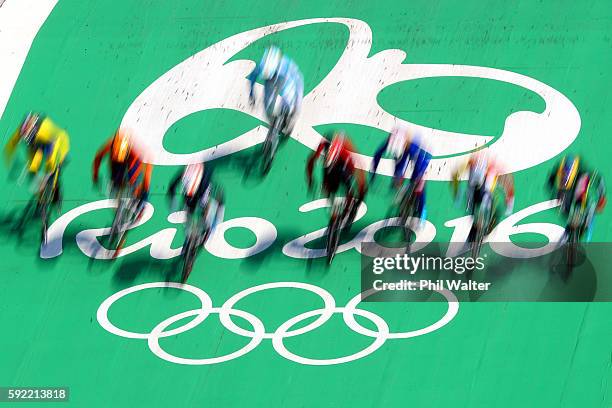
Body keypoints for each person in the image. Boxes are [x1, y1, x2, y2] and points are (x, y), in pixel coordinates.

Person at [4, 112, 70, 208]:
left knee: (54, 169)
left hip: (56, 144)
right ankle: (41, 195)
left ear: (33, 129)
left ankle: (56, 190)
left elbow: (52, 158)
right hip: (37, 145)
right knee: (32, 170)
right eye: (25, 136)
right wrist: (11, 165)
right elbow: (10, 146)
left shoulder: (45, 130)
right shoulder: (22, 131)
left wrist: (47, 176)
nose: (25, 137)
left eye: (28, 135)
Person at [371, 125, 432, 227]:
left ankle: (422, 210)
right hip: (403, 150)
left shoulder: (413, 146)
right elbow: (378, 154)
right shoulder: (391, 141)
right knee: (398, 175)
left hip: (422, 154)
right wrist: (373, 172)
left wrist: (417, 181)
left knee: (419, 183)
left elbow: (420, 167)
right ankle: (402, 200)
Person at [306, 131, 366, 224]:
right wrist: (311, 180)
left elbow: (355, 168)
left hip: (343, 164)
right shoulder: (322, 147)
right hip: (329, 167)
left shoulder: (343, 151)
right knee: (328, 189)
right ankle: (334, 214)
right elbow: (310, 163)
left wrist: (360, 190)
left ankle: (350, 207)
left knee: (348, 187)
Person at [452, 152, 515, 239]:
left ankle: (481, 224)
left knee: (479, 204)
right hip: (480, 194)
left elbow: (455, 175)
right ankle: (482, 225)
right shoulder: (491, 164)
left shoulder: (473, 162)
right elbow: (509, 183)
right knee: (495, 207)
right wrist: (509, 203)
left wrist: (457, 193)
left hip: (478, 193)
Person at [92, 129, 151, 214]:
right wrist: (95, 174)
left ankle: (142, 201)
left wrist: (141, 189)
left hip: (133, 165)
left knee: (140, 185)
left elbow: (146, 171)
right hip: (118, 166)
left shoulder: (136, 151)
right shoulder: (112, 144)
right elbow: (98, 158)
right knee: (117, 184)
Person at [248, 46, 304, 135]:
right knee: (267, 107)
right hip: (270, 77)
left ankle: (290, 117)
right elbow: (252, 78)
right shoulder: (261, 67)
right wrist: (251, 94)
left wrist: (297, 105)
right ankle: (274, 124)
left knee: (288, 100)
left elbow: (298, 83)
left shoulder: (287, 66)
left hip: (283, 77)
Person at [167, 163, 224, 248]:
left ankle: (210, 227)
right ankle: (190, 231)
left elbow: (205, 195)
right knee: (189, 206)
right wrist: (173, 203)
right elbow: (172, 187)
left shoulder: (204, 177)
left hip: (204, 185)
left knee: (205, 205)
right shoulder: (184, 174)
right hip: (193, 185)